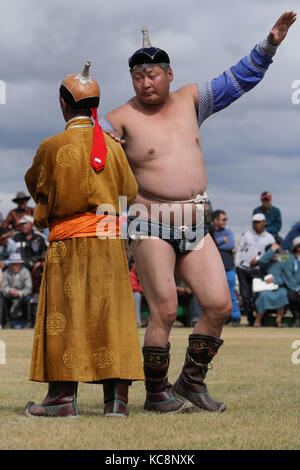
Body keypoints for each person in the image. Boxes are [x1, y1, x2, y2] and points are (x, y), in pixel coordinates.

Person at [101, 13, 296, 412]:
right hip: (148, 219)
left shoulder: (191, 99)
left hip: (194, 220)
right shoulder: (118, 119)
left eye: (153, 75)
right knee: (166, 309)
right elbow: (87, 144)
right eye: (138, 77)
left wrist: (271, 44)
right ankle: (156, 394)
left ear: (170, 74)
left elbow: (238, 80)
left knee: (219, 304)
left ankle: (191, 382)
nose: (145, 83)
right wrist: (102, 136)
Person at [24, 61, 144, 418]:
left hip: (67, 245)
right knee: (114, 316)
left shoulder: (51, 146)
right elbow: (131, 192)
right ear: (95, 107)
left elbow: (36, 186)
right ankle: (117, 403)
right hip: (108, 243)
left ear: (64, 105)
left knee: (67, 315)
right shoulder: (115, 148)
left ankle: (61, 400)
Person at [235, 213, 275, 326]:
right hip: (243, 268)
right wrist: (237, 264)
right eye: (254, 222)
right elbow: (240, 250)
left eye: (258, 222)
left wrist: (258, 258)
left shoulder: (269, 238)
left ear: (264, 222)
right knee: (245, 296)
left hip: (258, 270)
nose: (256, 224)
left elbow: (271, 254)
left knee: (256, 295)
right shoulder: (247, 234)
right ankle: (250, 319)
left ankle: (259, 318)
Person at [213, 210, 241, 326]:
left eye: (226, 219)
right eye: (223, 219)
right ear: (215, 220)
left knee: (231, 295)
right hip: (214, 271)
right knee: (216, 296)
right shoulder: (210, 232)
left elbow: (230, 244)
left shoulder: (228, 232)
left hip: (229, 269)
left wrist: (216, 244)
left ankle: (235, 318)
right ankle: (222, 317)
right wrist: (221, 240)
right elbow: (211, 243)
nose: (225, 222)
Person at [253, 243, 288, 327]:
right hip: (265, 288)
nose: (275, 254)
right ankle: (258, 320)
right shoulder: (264, 263)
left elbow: (284, 278)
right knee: (264, 295)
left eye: (276, 252)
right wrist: (272, 249)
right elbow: (262, 260)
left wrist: (275, 280)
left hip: (278, 288)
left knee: (283, 293)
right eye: (273, 252)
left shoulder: (280, 264)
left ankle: (278, 320)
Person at [1, 252, 32, 328]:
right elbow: (4, 287)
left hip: (22, 295)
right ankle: (6, 322)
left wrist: (19, 293)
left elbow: (29, 288)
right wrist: (9, 291)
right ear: (10, 264)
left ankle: (29, 322)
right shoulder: (6, 273)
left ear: (20, 264)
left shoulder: (26, 272)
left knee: (29, 299)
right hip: (9, 295)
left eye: (16, 264)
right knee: (2, 298)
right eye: (13, 264)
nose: (15, 266)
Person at [283, 236, 300, 327]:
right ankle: (296, 317)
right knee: (292, 295)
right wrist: (298, 288)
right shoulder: (290, 261)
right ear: (297, 248)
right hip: (293, 287)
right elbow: (288, 276)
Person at [129, 263, 143, 327]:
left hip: (144, 295)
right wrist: (142, 289)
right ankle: (137, 322)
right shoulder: (131, 274)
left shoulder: (144, 273)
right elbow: (134, 287)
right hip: (134, 294)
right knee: (137, 295)